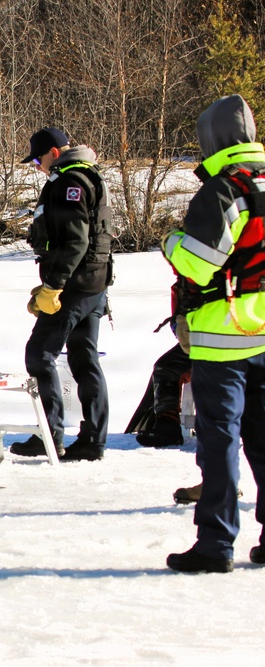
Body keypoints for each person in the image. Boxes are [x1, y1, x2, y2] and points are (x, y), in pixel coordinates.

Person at [162, 94, 265, 573]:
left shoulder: (224, 190)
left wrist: (171, 241)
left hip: (224, 340)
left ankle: (215, 545)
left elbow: (198, 264)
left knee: (220, 441)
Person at [12, 127, 114, 462]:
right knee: (85, 361)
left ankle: (50, 434)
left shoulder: (68, 182)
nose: (38, 166)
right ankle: (93, 440)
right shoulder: (91, 176)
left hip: (73, 287)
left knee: (39, 354)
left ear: (54, 152)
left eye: (39, 159)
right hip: (95, 287)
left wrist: (54, 285)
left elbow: (75, 241)